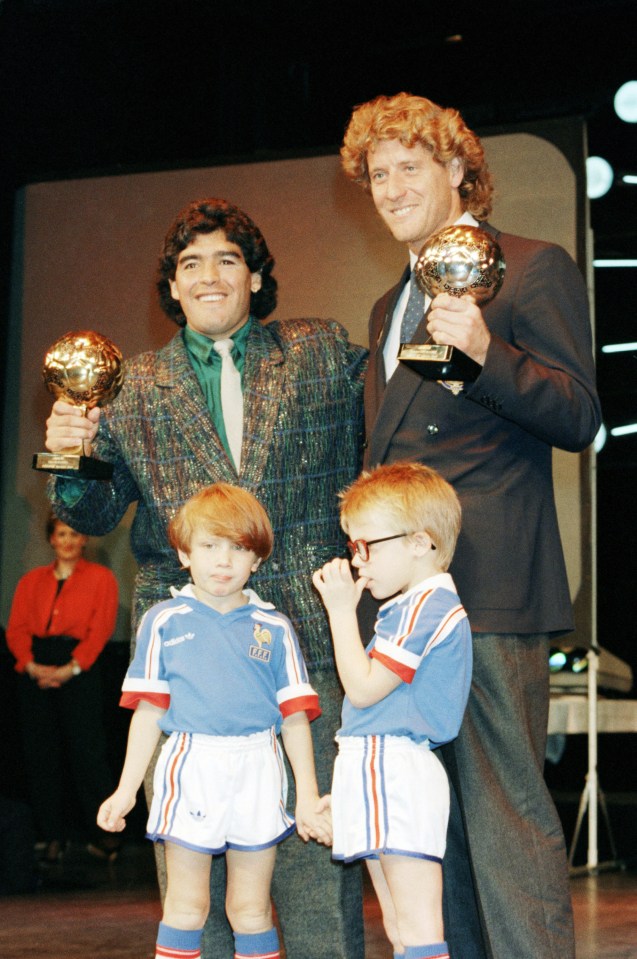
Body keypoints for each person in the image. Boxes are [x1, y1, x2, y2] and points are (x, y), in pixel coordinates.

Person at [44, 198, 366, 958]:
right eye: (190, 264)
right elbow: (91, 513)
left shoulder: (318, 348)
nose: (209, 276)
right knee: (194, 896)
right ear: (173, 286)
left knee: (316, 871)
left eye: (226, 259)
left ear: (254, 276)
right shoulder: (131, 383)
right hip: (185, 661)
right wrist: (66, 452)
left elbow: (384, 435)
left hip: (305, 644)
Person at [340, 93, 602, 959]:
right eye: (376, 174)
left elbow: (577, 415)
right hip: (401, 604)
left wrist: (489, 355)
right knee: (428, 830)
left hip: (486, 592)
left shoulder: (530, 268)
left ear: (458, 168)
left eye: (408, 166)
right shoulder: (387, 307)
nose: (389, 187)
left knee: (505, 821)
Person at [98, 483, 330, 959]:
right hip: (192, 763)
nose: (223, 561)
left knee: (250, 909)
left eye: (238, 548)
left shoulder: (277, 628)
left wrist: (306, 794)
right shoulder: (162, 621)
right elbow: (148, 713)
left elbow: (293, 720)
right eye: (209, 546)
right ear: (185, 553)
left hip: (258, 767)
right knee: (186, 906)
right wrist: (125, 790)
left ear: (257, 560)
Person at [313, 462, 472, 959]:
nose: (357, 561)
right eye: (352, 546)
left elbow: (361, 691)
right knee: (402, 927)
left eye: (367, 545)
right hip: (375, 762)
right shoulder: (412, 604)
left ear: (420, 542)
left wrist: (340, 611)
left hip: (396, 766)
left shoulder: (425, 605)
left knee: (418, 926)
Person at [5, 514, 119, 863]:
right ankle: (53, 837)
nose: (68, 540)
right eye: (61, 533)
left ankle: (105, 837)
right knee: (43, 757)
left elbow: (100, 630)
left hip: (80, 668)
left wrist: (70, 669)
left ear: (85, 539)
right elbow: (17, 628)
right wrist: (30, 664)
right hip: (36, 667)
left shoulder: (102, 578)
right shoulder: (31, 580)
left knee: (88, 755)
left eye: (75, 533)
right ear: (51, 539)